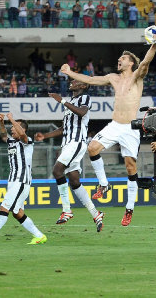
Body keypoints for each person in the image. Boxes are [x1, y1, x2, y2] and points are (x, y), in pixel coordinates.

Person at [60, 30, 156, 226]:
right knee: (92, 147)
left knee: (130, 167)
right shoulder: (113, 77)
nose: (119, 60)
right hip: (115, 125)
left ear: (130, 63)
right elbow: (91, 80)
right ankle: (104, 184)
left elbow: (145, 63)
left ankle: (129, 209)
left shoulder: (137, 76)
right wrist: (69, 72)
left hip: (131, 128)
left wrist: (154, 44)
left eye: (122, 58)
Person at [35, 82, 105, 231]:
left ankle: (66, 209)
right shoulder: (71, 102)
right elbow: (63, 128)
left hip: (76, 142)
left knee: (57, 171)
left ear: (84, 86)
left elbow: (82, 112)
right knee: (74, 182)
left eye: (76, 81)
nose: (72, 82)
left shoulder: (85, 98)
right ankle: (96, 213)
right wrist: (45, 136)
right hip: (67, 143)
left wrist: (61, 100)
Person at [0, 113, 47, 246]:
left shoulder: (27, 141)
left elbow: (23, 136)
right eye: (12, 127)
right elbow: (3, 135)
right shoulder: (12, 142)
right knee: (17, 212)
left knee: (5, 206)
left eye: (15, 127)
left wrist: (12, 119)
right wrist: (2, 123)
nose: (12, 129)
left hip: (21, 180)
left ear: (22, 129)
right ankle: (39, 236)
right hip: (14, 180)